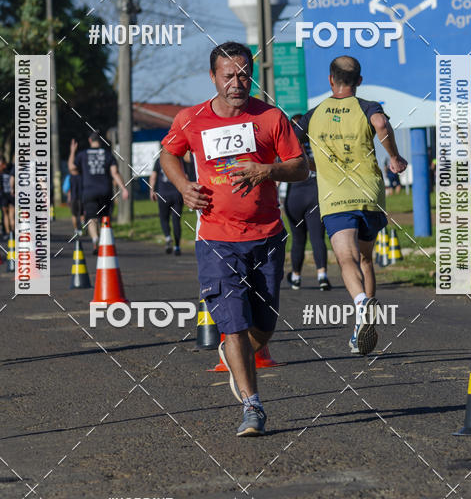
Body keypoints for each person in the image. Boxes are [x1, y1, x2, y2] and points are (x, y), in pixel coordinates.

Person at [159, 41, 308, 437]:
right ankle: (252, 405)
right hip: (216, 239)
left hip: (267, 235)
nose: (237, 83)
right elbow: (168, 153)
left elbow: (300, 168)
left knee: (264, 324)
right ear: (213, 77)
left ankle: (241, 354)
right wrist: (183, 186)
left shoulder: (271, 117)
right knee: (234, 323)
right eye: (229, 76)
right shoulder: (191, 119)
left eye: (244, 74)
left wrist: (268, 171)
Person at [298, 56, 407, 355]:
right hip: (370, 196)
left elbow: (292, 148)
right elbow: (381, 123)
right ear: (359, 81)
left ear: (330, 80)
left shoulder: (313, 114)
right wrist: (395, 157)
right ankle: (363, 321)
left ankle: (361, 304)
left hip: (336, 199)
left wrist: (312, 164)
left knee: (346, 258)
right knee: (366, 260)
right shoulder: (367, 106)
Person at [286, 114, 330, 290]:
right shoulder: (317, 145)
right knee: (317, 237)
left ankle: (296, 277)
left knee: (298, 240)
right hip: (315, 193)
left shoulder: (286, 147)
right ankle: (322, 276)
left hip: (293, 196)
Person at [68, 132, 129, 254]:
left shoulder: (82, 155)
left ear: (90, 140)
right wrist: (123, 188)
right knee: (104, 217)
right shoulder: (108, 155)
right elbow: (115, 173)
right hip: (105, 191)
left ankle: (95, 239)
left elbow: (72, 168)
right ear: (100, 141)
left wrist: (72, 151)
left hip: (89, 191)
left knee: (91, 218)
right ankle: (104, 241)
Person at [149, 152, 194, 255]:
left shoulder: (159, 160)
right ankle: (177, 246)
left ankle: (168, 237)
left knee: (164, 218)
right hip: (177, 193)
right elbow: (185, 177)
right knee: (176, 220)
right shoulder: (179, 160)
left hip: (163, 194)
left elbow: (153, 176)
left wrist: (152, 190)